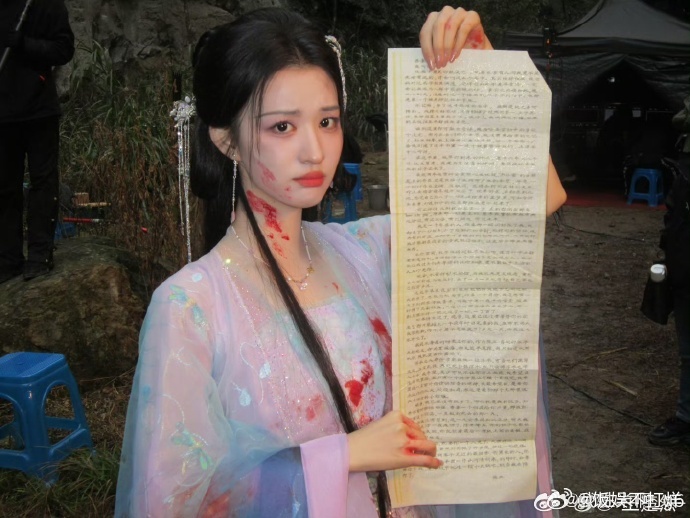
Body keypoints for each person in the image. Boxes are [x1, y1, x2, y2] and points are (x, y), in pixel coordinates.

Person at [115, 6, 566, 517]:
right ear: (226, 140)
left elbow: (533, 204)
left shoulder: (367, 251)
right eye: (282, 126)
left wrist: (483, 73)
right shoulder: (189, 306)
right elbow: (173, 499)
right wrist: (345, 456)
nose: (315, 151)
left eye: (327, 121)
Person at [0, 0, 74, 283]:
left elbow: (63, 49)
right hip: (3, 114)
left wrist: (24, 44)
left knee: (43, 181)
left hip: (39, 109)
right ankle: (8, 259)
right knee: (5, 187)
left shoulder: (45, 3)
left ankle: (39, 255)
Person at [648, 96, 690, 447]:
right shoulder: (684, 164)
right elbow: (675, 211)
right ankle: (686, 416)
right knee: (688, 350)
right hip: (684, 263)